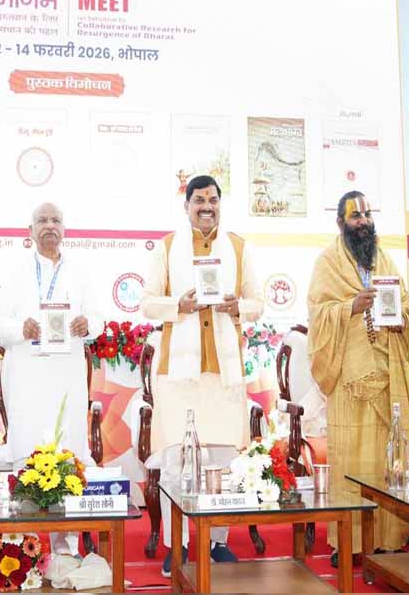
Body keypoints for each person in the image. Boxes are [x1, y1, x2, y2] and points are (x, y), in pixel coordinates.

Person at [141, 175, 263, 577]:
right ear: (187, 206)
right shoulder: (167, 247)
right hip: (178, 375)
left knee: (225, 462)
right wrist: (178, 305)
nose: (206, 207)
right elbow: (147, 303)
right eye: (199, 200)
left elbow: (258, 302)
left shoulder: (239, 247)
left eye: (212, 200)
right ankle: (176, 545)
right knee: (176, 462)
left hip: (224, 373)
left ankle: (217, 541)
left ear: (219, 204)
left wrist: (237, 307)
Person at [308, 191, 409, 563]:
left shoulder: (385, 259)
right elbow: (319, 313)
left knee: (390, 455)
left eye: (367, 214)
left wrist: (402, 318)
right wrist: (349, 308)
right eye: (355, 216)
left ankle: (390, 537)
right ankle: (351, 541)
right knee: (352, 459)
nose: (363, 221)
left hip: (389, 371)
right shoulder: (328, 262)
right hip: (349, 375)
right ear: (341, 222)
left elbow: (407, 303)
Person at [0, 202, 100, 557]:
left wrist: (88, 324)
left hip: (66, 378)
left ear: (64, 229)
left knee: (67, 456)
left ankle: (65, 549)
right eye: (42, 220)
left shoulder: (80, 273)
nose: (49, 226)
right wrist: (20, 329)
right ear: (30, 230)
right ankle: (20, 549)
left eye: (56, 220)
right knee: (27, 455)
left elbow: (98, 319)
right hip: (27, 379)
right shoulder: (16, 273)